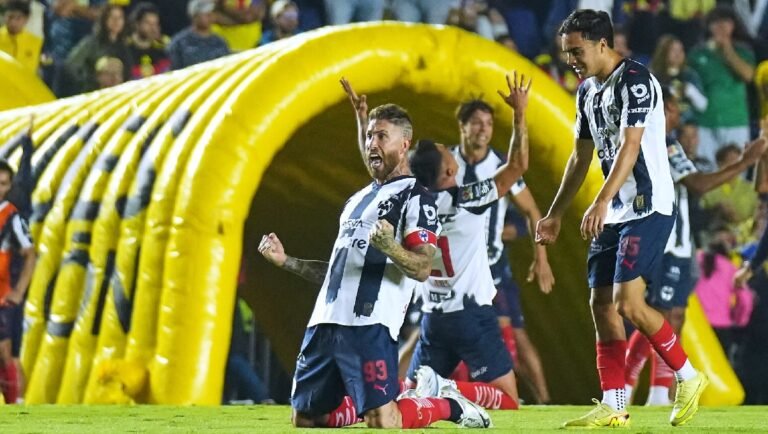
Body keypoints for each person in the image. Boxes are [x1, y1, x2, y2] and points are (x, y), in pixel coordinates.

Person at [257, 80, 491, 429]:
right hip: (325, 323)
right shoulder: (357, 200)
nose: (371, 144)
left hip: (370, 325)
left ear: (405, 144)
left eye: (381, 136)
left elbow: (422, 267)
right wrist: (286, 261)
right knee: (306, 418)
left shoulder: (417, 197)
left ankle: (448, 406)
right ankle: (381, 404)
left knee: (383, 421)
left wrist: (390, 247)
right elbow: (336, 272)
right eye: (369, 136)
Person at [535, 9, 708, 427]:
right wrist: (555, 214)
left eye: (576, 51)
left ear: (602, 44)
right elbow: (579, 157)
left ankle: (688, 375)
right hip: (615, 210)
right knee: (601, 305)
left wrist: (600, 199)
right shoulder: (586, 91)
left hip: (648, 206)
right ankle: (614, 405)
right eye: (566, 52)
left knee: (627, 302)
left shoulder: (636, 80)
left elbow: (631, 147)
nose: (570, 60)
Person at [624, 90, 767, 405]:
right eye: (675, 109)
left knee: (674, 316)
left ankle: (658, 394)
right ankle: (627, 386)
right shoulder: (660, 143)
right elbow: (698, 185)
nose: (679, 116)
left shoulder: (659, 143)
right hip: (663, 242)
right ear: (664, 109)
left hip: (679, 243)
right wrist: (746, 161)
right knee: (658, 316)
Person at [399, 72, 530, 412]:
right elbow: (517, 166)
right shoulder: (467, 198)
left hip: (433, 316)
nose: (448, 149)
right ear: (447, 172)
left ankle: (359, 403)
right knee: (508, 400)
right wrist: (519, 114)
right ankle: (450, 388)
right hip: (470, 315)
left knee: (409, 397)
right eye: (445, 152)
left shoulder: (410, 205)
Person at [449, 97, 554, 404]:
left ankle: (544, 402)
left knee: (514, 335)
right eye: (477, 123)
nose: (484, 129)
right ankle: (453, 397)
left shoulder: (500, 166)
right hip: (454, 270)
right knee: (440, 335)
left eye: (489, 124)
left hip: (492, 266)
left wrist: (542, 258)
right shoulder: (447, 164)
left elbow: (532, 212)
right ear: (462, 126)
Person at [0, 157, 36, 404]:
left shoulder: (13, 218)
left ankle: (17, 407)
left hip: (3, 297)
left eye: (3, 184)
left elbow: (30, 254)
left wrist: (19, 291)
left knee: (7, 354)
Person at [167, 0, 230, 70]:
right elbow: (174, 69)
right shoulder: (180, 42)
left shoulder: (219, 42)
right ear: (195, 16)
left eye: (212, 12)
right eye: (205, 13)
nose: (210, 15)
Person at [126, 2, 171, 79]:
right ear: (137, 24)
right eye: (148, 23)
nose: (153, 28)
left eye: (155, 24)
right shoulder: (126, 48)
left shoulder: (162, 47)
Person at [0, 1, 43, 73]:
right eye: (10, 17)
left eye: (18, 18)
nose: (13, 22)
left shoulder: (36, 42)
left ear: (26, 19)